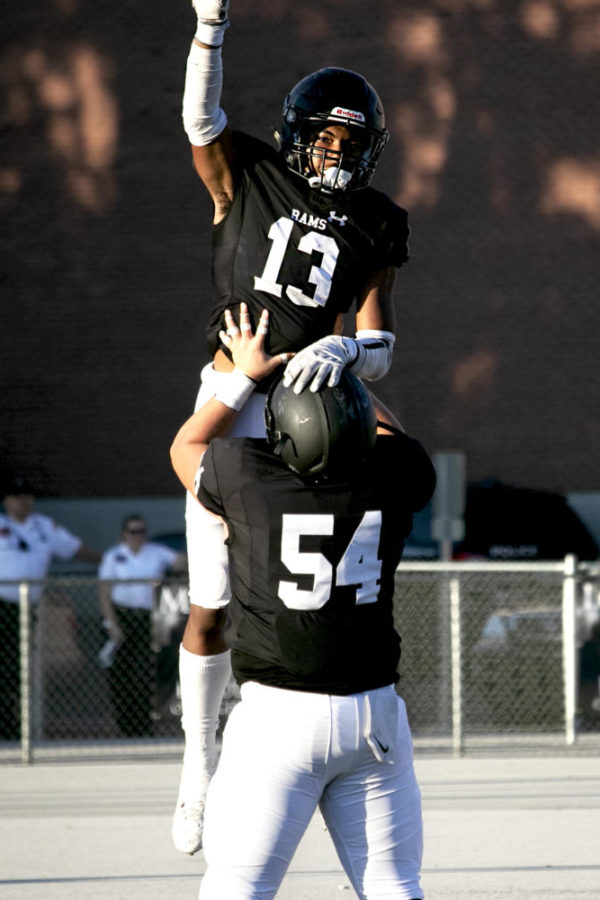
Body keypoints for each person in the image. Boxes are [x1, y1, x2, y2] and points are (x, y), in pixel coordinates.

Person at [174, 0, 412, 853]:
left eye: (352, 146)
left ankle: (344, 709)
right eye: (326, 140)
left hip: (317, 402)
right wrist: (210, 28)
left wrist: (347, 357)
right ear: (298, 133)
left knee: (332, 552)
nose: (336, 156)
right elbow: (201, 119)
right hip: (236, 393)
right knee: (210, 608)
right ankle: (199, 762)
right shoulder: (249, 175)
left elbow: (380, 340)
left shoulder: (377, 219)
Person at [170, 306, 434, 898]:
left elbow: (188, 442)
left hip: (279, 720)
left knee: (236, 887)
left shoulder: (248, 476)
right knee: (396, 887)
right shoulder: (393, 475)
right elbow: (394, 437)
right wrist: (349, 368)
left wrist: (245, 374)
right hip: (374, 718)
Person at [0, 473, 101, 740]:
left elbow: (76, 549)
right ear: (6, 501)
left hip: (28, 609)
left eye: (27, 496)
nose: (23, 501)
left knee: (19, 668)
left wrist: (110, 562)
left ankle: (15, 730)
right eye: (17, 496)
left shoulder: (43, 526)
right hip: (2, 606)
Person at [98, 515, 187, 737]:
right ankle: (125, 726)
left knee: (146, 672)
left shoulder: (155, 552)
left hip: (148, 619)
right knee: (122, 675)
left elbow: (180, 561)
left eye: (142, 531)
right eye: (133, 531)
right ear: (123, 534)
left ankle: (144, 725)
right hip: (122, 618)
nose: (138, 536)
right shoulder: (114, 556)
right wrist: (111, 623)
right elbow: (104, 592)